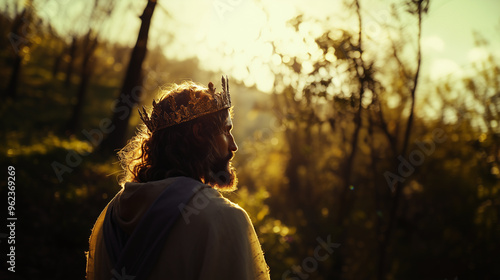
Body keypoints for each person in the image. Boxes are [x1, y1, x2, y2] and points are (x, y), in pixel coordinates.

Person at [86, 76, 270, 280]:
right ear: (200, 133)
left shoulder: (112, 214)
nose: (234, 146)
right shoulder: (223, 218)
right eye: (226, 131)